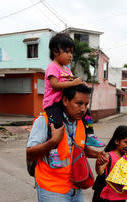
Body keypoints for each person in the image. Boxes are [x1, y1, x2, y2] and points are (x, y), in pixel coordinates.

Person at [44, 33, 105, 169]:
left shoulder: (66, 69)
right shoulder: (52, 67)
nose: (70, 55)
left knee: (86, 112)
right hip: (52, 104)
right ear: (55, 52)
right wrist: (73, 83)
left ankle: (90, 135)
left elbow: (73, 85)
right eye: (66, 52)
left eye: (71, 52)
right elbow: (55, 85)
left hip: (62, 102)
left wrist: (80, 83)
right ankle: (53, 152)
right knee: (57, 127)